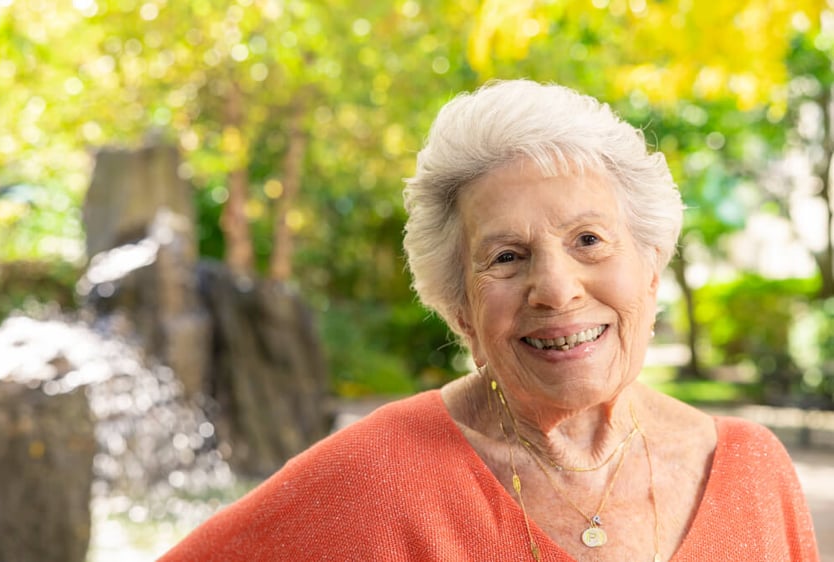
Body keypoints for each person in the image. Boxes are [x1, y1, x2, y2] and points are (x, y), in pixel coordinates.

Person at [159, 80, 819, 561]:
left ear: (651, 265)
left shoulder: (751, 472)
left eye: (589, 240)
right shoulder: (378, 476)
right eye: (507, 257)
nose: (556, 290)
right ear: (461, 310)